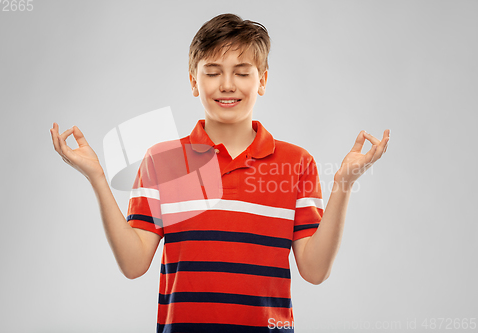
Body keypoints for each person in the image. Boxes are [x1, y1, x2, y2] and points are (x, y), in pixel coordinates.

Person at [50, 13, 389, 333]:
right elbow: (133, 262)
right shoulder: (162, 161)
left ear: (263, 81)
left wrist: (344, 182)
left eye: (242, 72)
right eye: (212, 72)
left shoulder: (297, 163)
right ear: (193, 81)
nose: (227, 85)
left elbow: (315, 271)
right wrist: (96, 176)